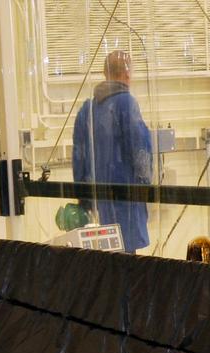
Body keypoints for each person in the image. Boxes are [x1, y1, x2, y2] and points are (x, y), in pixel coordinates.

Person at [72, 50, 153, 253]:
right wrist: (146, 185)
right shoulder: (126, 103)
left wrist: (84, 199)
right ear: (127, 75)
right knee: (126, 266)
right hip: (124, 202)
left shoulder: (87, 109)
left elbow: (78, 157)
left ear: (104, 73)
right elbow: (140, 149)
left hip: (98, 205)